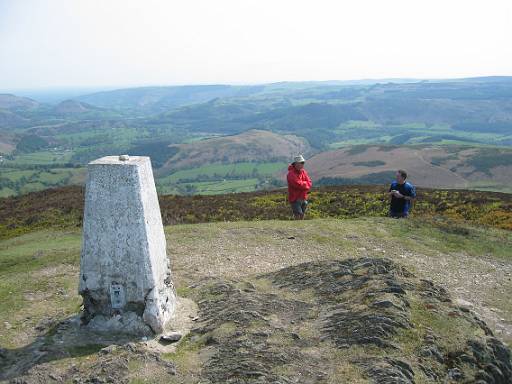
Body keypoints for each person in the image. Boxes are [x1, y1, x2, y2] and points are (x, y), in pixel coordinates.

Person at [287, 155, 312, 220]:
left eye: (303, 162)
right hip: (295, 198)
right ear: (296, 164)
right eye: (302, 163)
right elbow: (297, 184)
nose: (303, 164)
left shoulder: (303, 172)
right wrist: (305, 184)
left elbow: (309, 182)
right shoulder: (291, 174)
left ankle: (300, 226)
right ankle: (297, 227)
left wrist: (303, 184)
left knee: (302, 213)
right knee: (298, 214)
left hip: (303, 197)